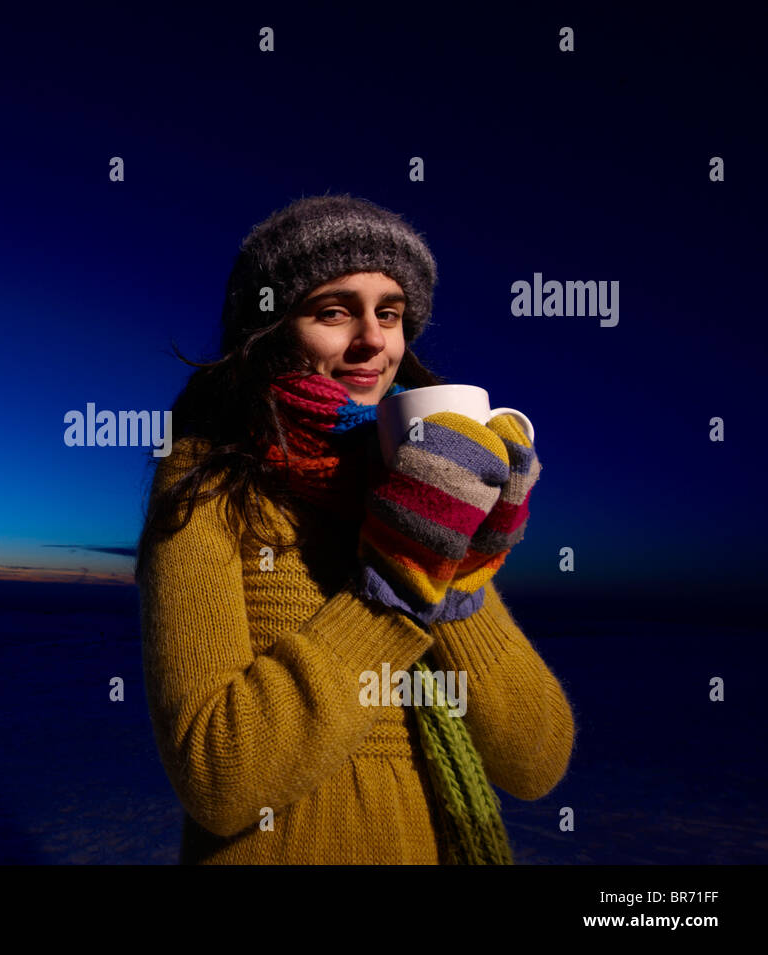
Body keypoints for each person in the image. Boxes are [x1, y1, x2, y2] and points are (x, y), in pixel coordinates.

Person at [135, 193, 575, 864]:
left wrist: (459, 568)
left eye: (390, 313)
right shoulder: (208, 483)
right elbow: (218, 775)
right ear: (274, 327)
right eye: (334, 311)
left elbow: (536, 758)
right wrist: (397, 583)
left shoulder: (415, 483)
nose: (373, 339)